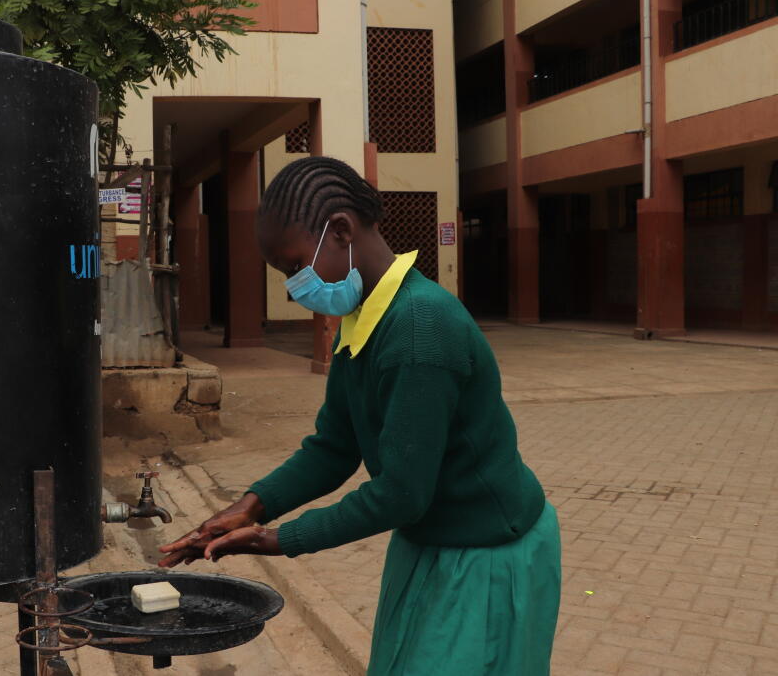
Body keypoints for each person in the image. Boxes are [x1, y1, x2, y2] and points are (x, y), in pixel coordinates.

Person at [159, 157, 561, 675]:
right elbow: (334, 446)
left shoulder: (419, 329)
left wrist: (278, 540)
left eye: (293, 266)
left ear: (342, 231)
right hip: (431, 543)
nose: (292, 287)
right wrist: (250, 507)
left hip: (487, 553)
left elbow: (401, 494)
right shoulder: (363, 319)